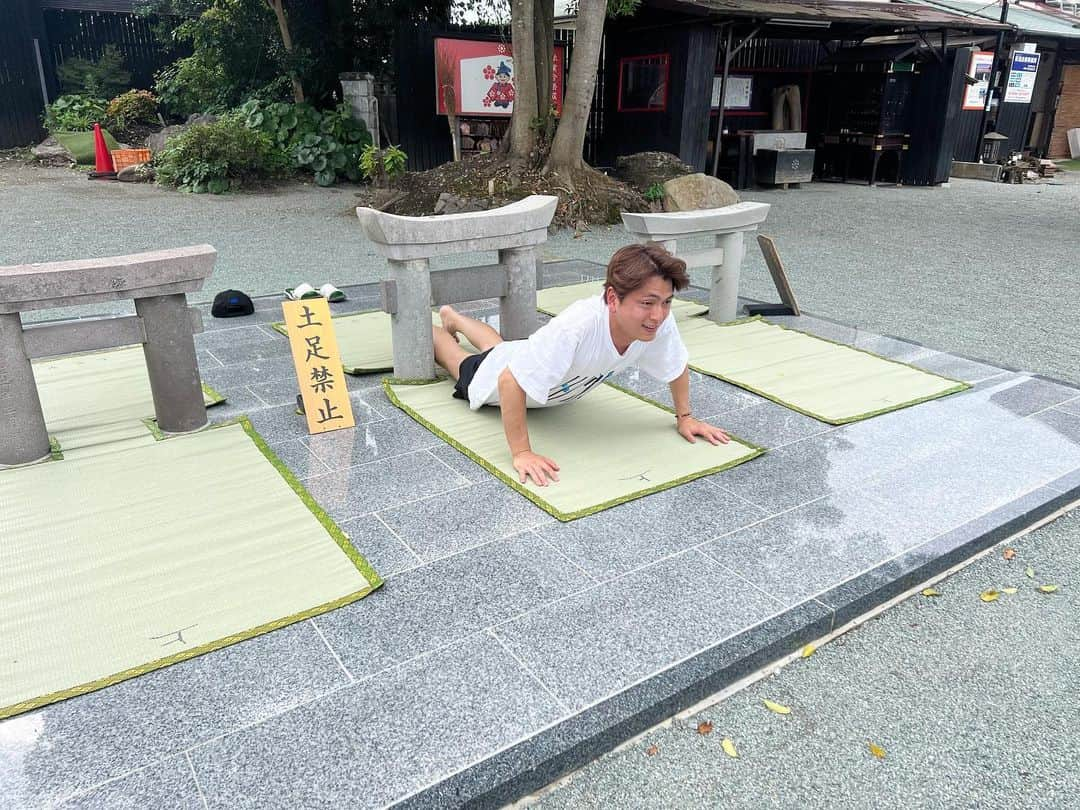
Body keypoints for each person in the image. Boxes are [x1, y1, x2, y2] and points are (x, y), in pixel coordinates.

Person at [432, 243, 730, 487]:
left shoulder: (657, 322)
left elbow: (676, 364)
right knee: (457, 359)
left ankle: (454, 318)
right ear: (613, 298)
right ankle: (429, 325)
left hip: (522, 355)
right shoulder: (577, 327)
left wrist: (686, 417)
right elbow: (509, 381)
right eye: (647, 303)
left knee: (500, 348)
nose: (658, 314)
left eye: (666, 302)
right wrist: (522, 452)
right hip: (493, 376)